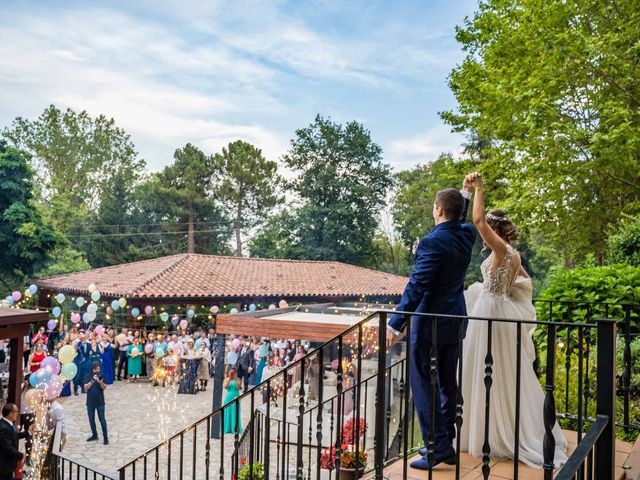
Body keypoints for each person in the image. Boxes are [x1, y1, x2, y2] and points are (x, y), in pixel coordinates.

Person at [459, 173, 568, 468]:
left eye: (489, 232)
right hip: (498, 308)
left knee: (486, 369)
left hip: (491, 312)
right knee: (498, 372)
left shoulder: (501, 250)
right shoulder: (514, 256)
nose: (484, 236)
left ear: (495, 232)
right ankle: (489, 428)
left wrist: (478, 189)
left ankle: (494, 434)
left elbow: (478, 221)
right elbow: (525, 282)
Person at [386, 176, 476, 470]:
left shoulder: (432, 242)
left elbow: (418, 284)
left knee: (422, 381)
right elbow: (459, 218)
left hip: (429, 322)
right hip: (455, 318)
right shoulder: (466, 235)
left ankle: (437, 447)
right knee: (448, 381)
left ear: (438, 209)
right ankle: (445, 442)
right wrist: (465, 192)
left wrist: (395, 322)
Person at [0, 403, 27, 480]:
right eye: (16, 411)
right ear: (10, 413)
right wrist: (20, 455)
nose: (17, 413)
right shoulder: (3, 428)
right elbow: (7, 447)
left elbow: (14, 436)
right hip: (4, 465)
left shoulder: (8, 424)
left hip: (8, 465)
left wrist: (28, 432)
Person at [84, 361, 108, 445]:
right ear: (93, 369)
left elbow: (104, 387)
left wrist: (100, 382)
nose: (98, 370)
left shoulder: (101, 376)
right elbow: (85, 387)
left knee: (102, 419)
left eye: (98, 368)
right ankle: (94, 435)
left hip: (100, 401)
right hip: (90, 402)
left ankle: (105, 438)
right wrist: (92, 381)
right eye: (96, 369)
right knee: (91, 420)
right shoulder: (88, 376)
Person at [223, 369, 242, 433]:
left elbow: (239, 388)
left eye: (233, 373)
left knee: (235, 411)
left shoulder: (238, 379)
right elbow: (225, 387)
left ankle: (235, 427)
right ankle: (228, 427)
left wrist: (236, 380)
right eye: (231, 372)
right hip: (229, 396)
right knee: (228, 411)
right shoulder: (226, 379)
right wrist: (229, 380)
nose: (232, 374)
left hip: (236, 395)